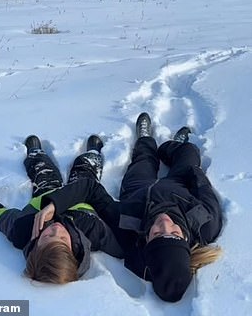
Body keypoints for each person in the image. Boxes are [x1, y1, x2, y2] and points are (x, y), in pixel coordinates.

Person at [37, 113, 223, 303]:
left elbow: (91, 190)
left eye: (157, 234)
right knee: (189, 152)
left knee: (143, 158)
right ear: (185, 240)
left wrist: (54, 203)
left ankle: (145, 139)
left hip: (137, 189)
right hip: (178, 184)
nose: (164, 223)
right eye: (175, 233)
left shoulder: (128, 228)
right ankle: (172, 145)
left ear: (146, 240)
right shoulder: (205, 224)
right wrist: (188, 170)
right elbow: (203, 188)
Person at [0, 134, 123, 284]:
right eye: (63, 239)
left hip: (47, 195)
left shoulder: (23, 229)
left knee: (43, 173)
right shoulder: (90, 230)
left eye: (47, 237)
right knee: (85, 172)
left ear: (36, 244)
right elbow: (120, 245)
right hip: (82, 195)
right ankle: (92, 155)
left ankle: (36, 156)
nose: (56, 230)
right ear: (73, 250)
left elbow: (2, 219)